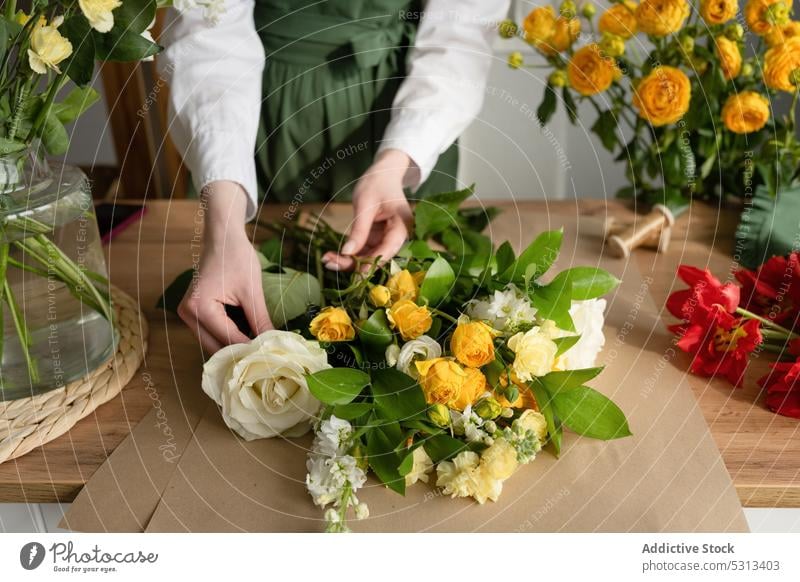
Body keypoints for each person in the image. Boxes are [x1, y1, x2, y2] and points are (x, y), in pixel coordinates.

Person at [158, 0, 509, 353]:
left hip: (406, 105)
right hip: (259, 114)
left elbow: (462, 30)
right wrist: (224, 230)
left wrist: (397, 159)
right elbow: (209, 32)